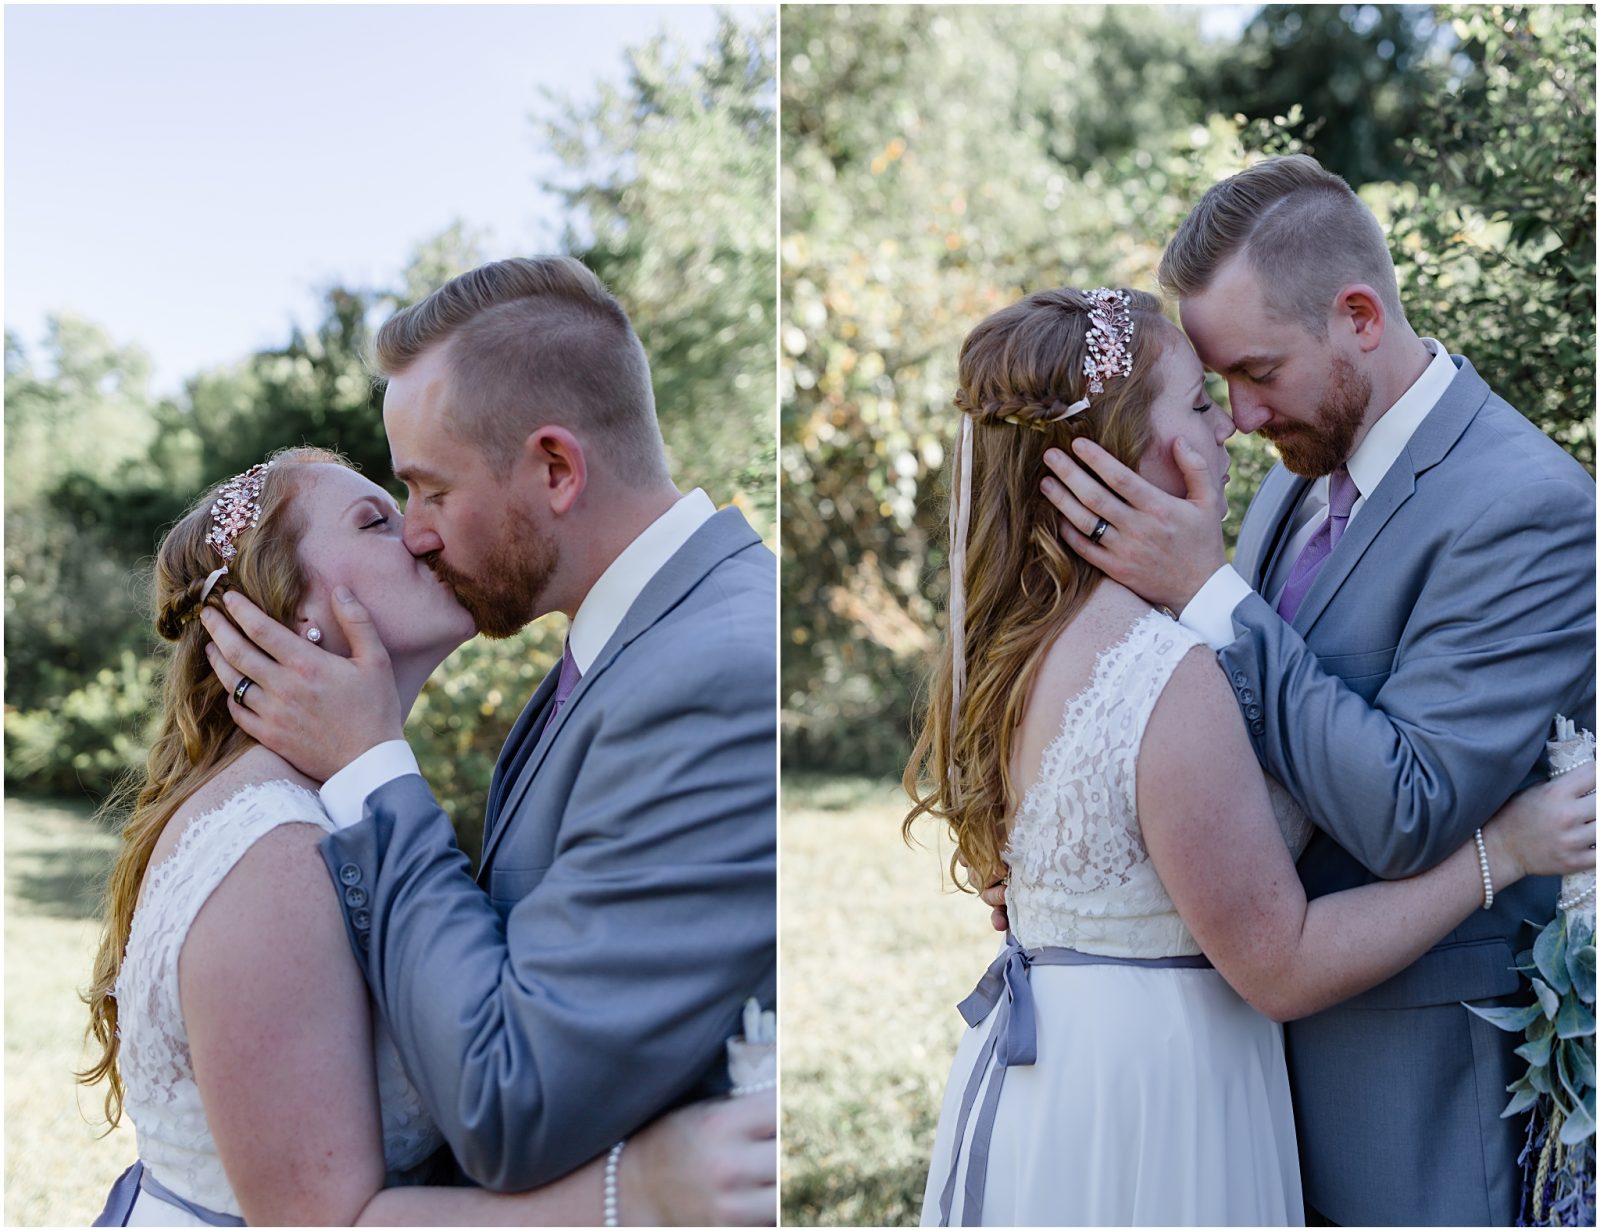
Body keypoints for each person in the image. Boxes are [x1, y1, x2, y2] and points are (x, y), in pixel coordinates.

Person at [904, 287, 1595, 1227]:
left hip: (1060, 1082)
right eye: (1198, 402)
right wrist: (1505, 850)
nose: (1230, 424)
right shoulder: (1162, 666)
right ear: (1116, 451)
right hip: (1162, 1095)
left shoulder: (1021, 639)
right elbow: (1281, 961)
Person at [199, 257, 777, 1202]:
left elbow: (510, 1101)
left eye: (429, 490)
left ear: (555, 468)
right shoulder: (621, 653)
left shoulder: (712, 676)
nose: (418, 533)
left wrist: (371, 766)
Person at [82, 448, 775, 1225]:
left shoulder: (351, 796)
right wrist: (641, 1188)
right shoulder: (269, 849)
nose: (420, 534)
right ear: (291, 606)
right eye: (377, 520)